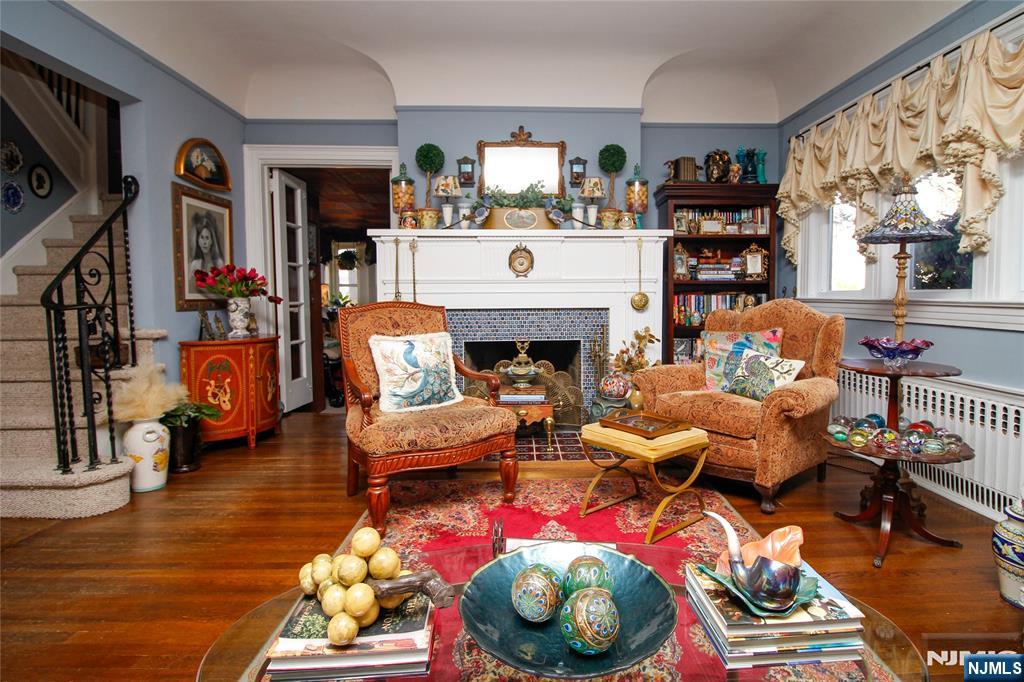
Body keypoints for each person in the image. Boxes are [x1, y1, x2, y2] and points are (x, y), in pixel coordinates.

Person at [188, 211, 225, 293]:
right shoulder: (194, 265)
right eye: (202, 237)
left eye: (207, 238)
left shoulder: (219, 264)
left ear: (212, 241)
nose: (204, 242)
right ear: (197, 240)